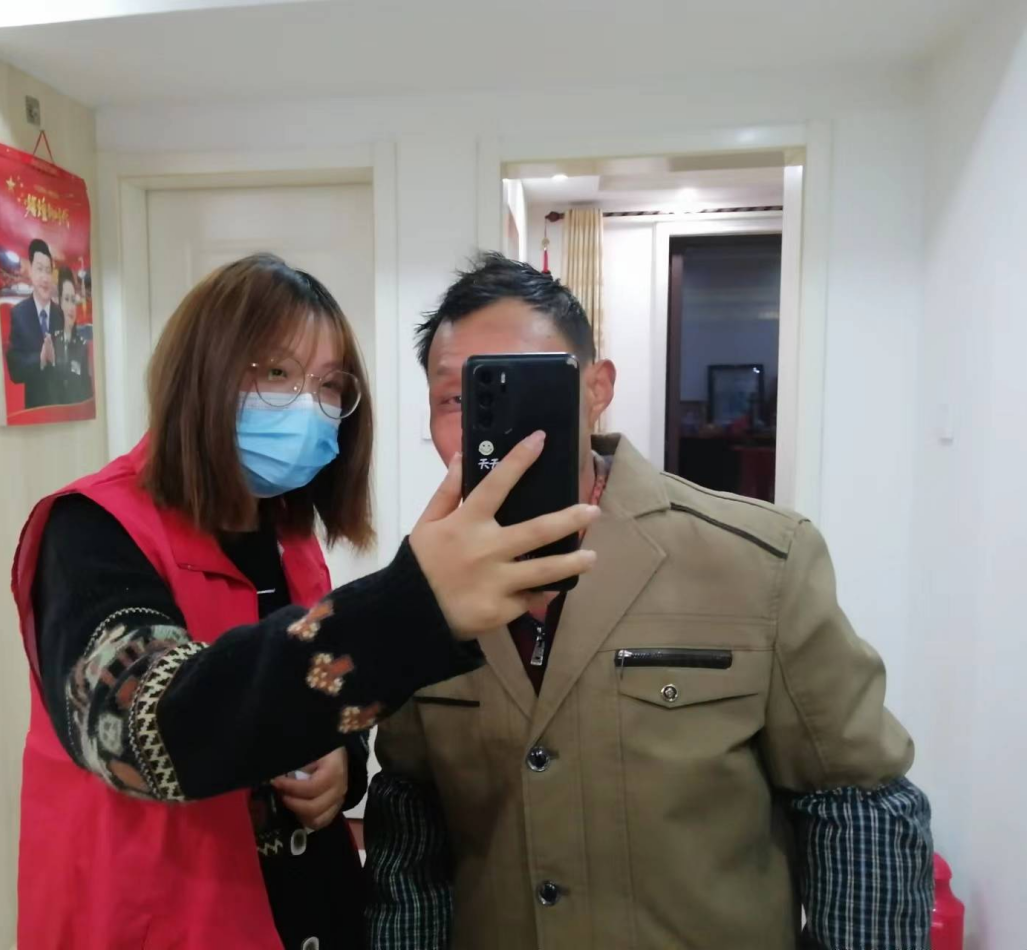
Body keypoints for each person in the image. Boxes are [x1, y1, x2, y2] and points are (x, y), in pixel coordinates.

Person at [10, 253, 599, 950]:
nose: (306, 406)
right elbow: (143, 730)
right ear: (200, 375)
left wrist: (340, 765)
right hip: (158, 918)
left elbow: (305, 689)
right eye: (274, 374)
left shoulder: (289, 536)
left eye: (329, 386)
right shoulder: (89, 530)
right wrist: (414, 604)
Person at [364, 253, 933, 950]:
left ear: (596, 388)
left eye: (533, 387)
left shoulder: (762, 561)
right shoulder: (416, 592)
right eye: (461, 399)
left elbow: (857, 804)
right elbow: (409, 824)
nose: (496, 428)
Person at [6, 238, 59, 408]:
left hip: (63, 405)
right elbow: (15, 370)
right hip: (35, 408)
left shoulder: (61, 315)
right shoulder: (19, 314)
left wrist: (57, 359)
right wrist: (40, 358)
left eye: (48, 271)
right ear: (30, 271)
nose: (44, 277)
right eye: (39, 269)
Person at [48, 265, 92, 405]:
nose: (71, 307)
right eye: (66, 299)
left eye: (73, 300)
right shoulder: (50, 343)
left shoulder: (82, 346)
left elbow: (87, 391)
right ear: (59, 302)